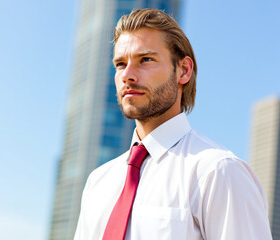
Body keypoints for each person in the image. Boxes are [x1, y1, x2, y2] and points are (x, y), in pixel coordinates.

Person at [74, 8, 272, 240]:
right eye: (120, 64)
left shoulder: (217, 172)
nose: (127, 74)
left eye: (145, 59)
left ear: (184, 71)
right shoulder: (98, 182)